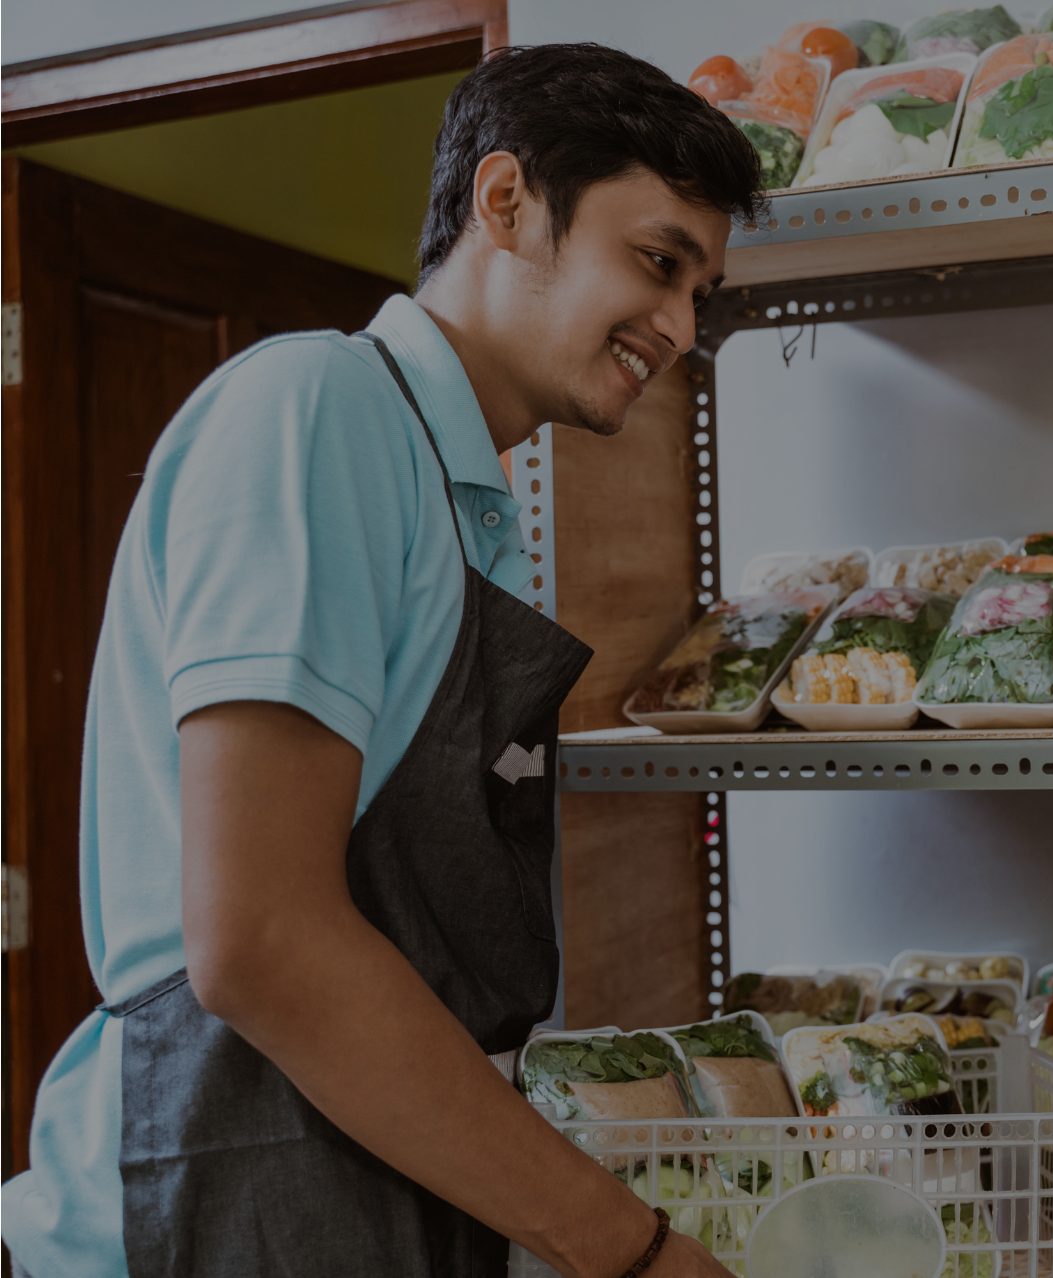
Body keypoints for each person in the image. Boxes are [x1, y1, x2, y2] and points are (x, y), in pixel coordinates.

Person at [2, 43, 760, 1278]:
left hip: (352, 1204)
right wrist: (628, 1251)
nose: (681, 327)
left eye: (702, 295)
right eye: (660, 264)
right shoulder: (318, 412)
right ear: (504, 202)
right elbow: (261, 937)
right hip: (207, 1205)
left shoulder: (458, 499)